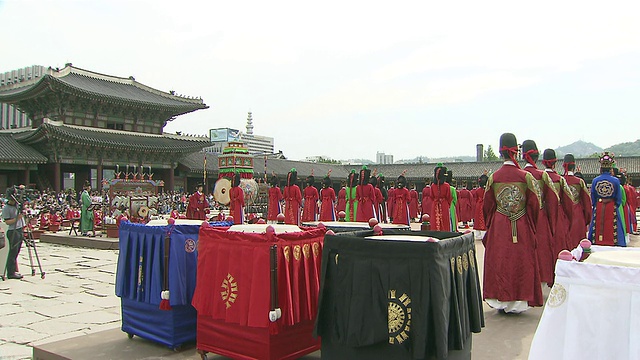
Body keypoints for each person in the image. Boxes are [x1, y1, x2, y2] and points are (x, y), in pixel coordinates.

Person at [483, 133, 542, 313]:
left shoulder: (494, 178)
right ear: (516, 152)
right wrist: (529, 222)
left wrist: (492, 224)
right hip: (522, 222)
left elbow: (487, 206)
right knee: (521, 260)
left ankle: (499, 300)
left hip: (500, 224)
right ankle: (519, 302)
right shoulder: (526, 177)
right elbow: (535, 204)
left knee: (500, 259)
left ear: (501, 153)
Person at [521, 140, 559, 287]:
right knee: (542, 251)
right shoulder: (542, 176)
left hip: (521, 219)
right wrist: (552, 224)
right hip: (541, 219)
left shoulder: (520, 174)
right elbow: (553, 201)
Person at [588, 152, 625, 246]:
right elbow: (618, 199)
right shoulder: (616, 181)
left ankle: (596, 241)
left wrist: (597, 204)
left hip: (599, 207)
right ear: (611, 168)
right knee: (613, 228)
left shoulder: (595, 180)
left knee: (596, 227)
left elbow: (593, 196)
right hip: (612, 207)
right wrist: (613, 204)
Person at [562, 154, 591, 249]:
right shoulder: (579, 182)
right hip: (578, 217)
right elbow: (587, 204)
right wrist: (586, 220)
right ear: (574, 167)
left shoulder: (559, 181)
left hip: (563, 216)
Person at [2, 186, 25, 279]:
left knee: (17, 252)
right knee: (13, 252)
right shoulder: (6, 208)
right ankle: (10, 273)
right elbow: (7, 222)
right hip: (13, 231)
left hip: (20, 229)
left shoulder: (17, 205)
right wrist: (17, 219)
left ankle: (14, 270)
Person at [429, 163, 452, 231]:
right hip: (444, 204)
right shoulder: (447, 186)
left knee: (435, 220)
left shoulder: (433, 186)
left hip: (435, 204)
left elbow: (431, 196)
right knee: (445, 220)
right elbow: (449, 197)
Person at [471, 171, 488, 240]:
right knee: (485, 218)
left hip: (478, 205)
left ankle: (478, 234)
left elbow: (474, 199)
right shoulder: (488, 190)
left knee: (478, 219)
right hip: (486, 205)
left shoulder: (477, 191)